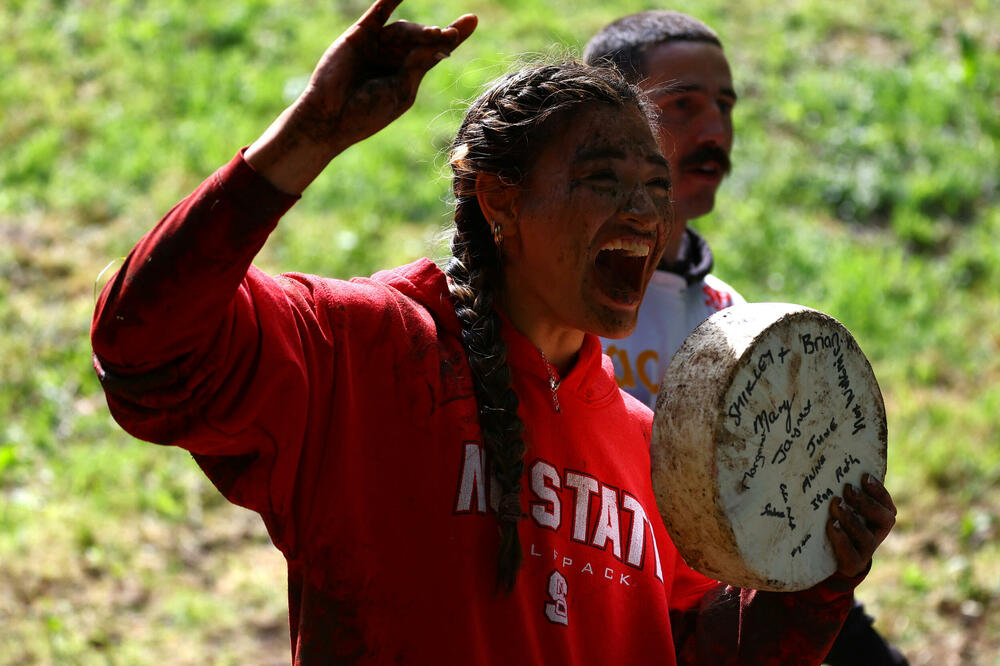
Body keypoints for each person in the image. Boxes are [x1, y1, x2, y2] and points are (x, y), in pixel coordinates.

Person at [90, 0, 897, 663]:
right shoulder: (365, 349)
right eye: (602, 180)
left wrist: (821, 576)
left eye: (656, 188)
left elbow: (711, 655)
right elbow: (146, 346)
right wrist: (306, 138)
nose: (643, 214)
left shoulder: (654, 448)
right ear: (500, 200)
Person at [585, 11, 908, 666]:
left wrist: (833, 539)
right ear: (608, 122)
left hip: (720, 607)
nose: (715, 132)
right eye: (684, 105)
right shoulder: (558, 301)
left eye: (725, 106)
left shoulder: (729, 315)